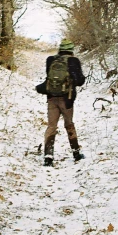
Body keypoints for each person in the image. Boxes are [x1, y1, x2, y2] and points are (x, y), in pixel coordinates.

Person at [36, 38, 86, 167]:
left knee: (51, 126)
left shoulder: (50, 60)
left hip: (51, 98)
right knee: (69, 124)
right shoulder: (73, 61)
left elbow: (49, 77)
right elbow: (79, 81)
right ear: (71, 50)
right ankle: (76, 153)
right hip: (67, 99)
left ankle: (48, 156)